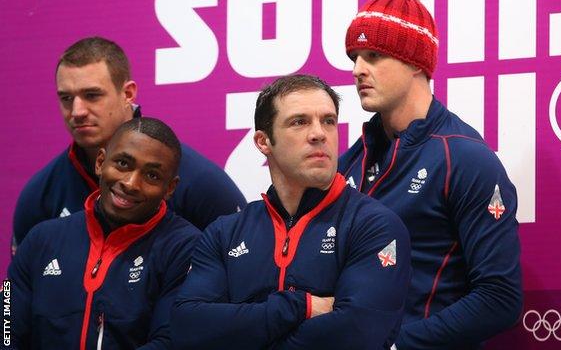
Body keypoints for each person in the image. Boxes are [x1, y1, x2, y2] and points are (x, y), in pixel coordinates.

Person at [171, 74, 411, 350]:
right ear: (263, 142)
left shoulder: (375, 226)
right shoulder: (225, 233)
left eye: (328, 121)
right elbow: (187, 328)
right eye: (300, 122)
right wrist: (301, 305)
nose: (319, 133)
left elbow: (357, 335)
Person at [339, 0, 523, 349]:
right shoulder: (350, 161)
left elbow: (501, 297)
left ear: (414, 62)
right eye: (354, 58)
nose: (358, 70)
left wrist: (396, 345)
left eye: (374, 56)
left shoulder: (465, 158)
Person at [11, 36, 246, 254]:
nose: (77, 111)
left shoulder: (198, 181)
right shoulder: (40, 194)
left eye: (92, 95)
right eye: (66, 98)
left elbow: (243, 268)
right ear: (100, 163)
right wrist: (7, 299)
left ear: (128, 93)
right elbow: (12, 288)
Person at [8, 117, 201, 349]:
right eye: (122, 163)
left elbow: (171, 341)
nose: (130, 183)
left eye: (152, 176)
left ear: (169, 188)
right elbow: (6, 328)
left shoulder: (187, 248)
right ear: (100, 162)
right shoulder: (40, 239)